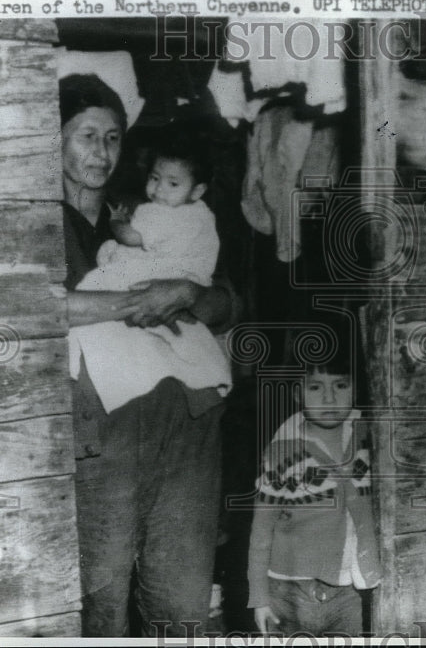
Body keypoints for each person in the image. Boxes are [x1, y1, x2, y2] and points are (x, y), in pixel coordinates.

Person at [59, 73, 235, 637]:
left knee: (182, 594)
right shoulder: (33, 218)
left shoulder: (153, 206)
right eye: (87, 136)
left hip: (183, 415)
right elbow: (39, 307)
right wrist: (139, 300)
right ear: (53, 139)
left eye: (112, 138)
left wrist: (187, 294)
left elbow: (228, 300)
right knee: (100, 591)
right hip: (102, 422)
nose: (101, 151)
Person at [69, 135, 231, 414]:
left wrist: (118, 223)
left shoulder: (156, 212)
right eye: (154, 178)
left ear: (197, 190)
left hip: (164, 279)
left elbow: (225, 304)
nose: (158, 189)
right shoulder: (199, 214)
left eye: (111, 137)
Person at [247, 333, 381, 637]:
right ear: (298, 393)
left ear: (356, 389)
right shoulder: (282, 450)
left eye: (341, 386)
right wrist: (259, 598)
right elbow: (261, 528)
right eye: (316, 388)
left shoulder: (370, 436)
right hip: (288, 589)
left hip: (350, 589)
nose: (330, 399)